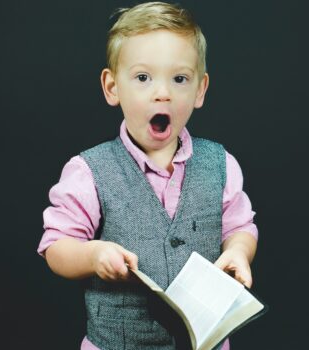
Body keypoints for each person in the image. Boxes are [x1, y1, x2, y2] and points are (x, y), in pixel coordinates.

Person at [36, 2, 258, 349]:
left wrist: (240, 251)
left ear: (200, 90)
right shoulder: (88, 172)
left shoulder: (221, 164)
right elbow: (56, 247)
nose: (162, 93)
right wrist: (93, 255)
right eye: (143, 77)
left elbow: (240, 227)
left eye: (180, 78)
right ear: (112, 87)